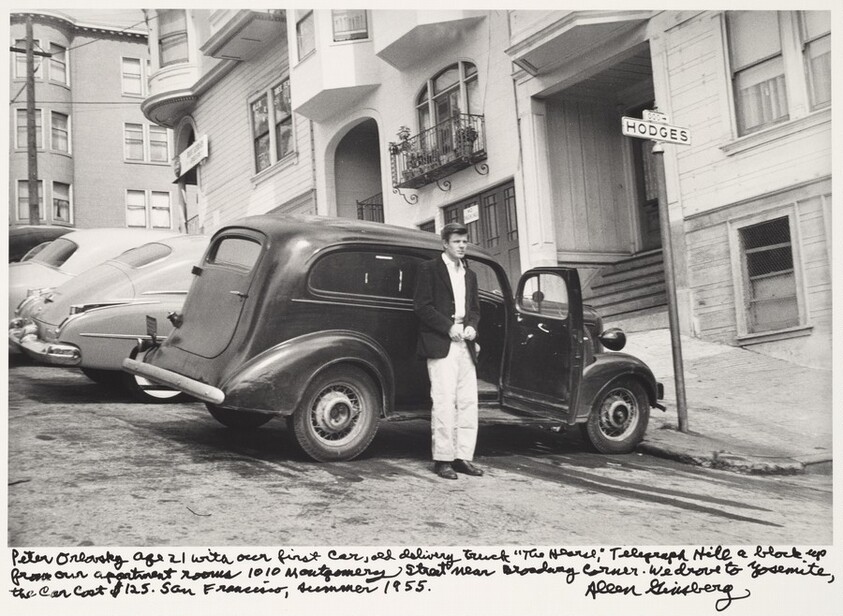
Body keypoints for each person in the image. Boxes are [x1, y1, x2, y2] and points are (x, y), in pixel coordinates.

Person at [414, 222, 484, 480]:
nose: (462, 245)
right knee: (444, 401)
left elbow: (475, 309)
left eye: (464, 241)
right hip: (441, 344)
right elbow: (421, 306)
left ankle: (463, 457)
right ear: (445, 244)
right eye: (457, 241)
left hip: (465, 344)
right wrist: (447, 327)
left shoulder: (470, 274)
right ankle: (442, 459)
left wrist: (472, 328)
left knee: (468, 402)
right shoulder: (429, 269)